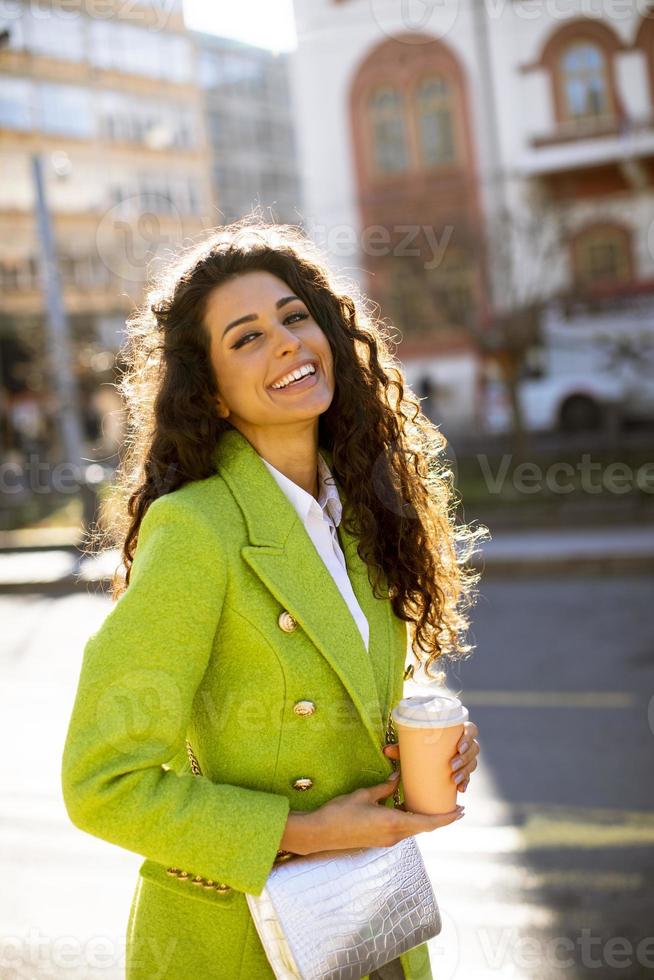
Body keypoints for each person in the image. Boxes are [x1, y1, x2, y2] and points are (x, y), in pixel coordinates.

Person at [61, 218, 485, 980]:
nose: (288, 341)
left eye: (295, 317)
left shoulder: (363, 512)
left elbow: (332, 693)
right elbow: (102, 785)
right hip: (241, 943)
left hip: (371, 921)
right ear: (211, 393)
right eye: (246, 337)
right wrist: (310, 831)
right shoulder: (195, 529)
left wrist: (422, 745)